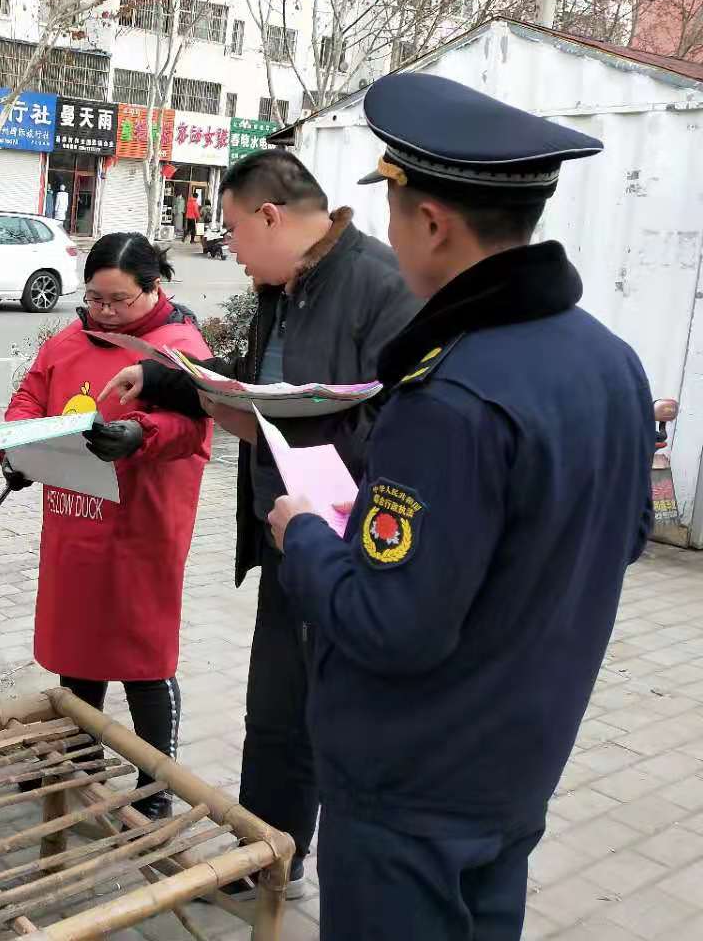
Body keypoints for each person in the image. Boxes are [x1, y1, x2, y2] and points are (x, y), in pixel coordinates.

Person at [266, 74, 654, 939]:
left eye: (395, 205)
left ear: (431, 223)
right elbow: (619, 538)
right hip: (517, 759)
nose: (390, 231)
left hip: (411, 782)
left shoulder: (451, 395)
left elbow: (392, 624)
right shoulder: (612, 361)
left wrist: (305, 542)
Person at [99, 150, 419, 898]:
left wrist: (289, 434)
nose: (230, 247)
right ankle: (265, 849)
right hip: (286, 533)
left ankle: (307, 859)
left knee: (321, 709)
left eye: (236, 230)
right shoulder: (285, 284)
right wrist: (163, 378)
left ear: (271, 216)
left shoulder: (380, 287)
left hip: (347, 540)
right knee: (273, 707)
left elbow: (400, 425)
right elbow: (249, 382)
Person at [4, 233, 213, 820]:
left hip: (141, 524)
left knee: (142, 654)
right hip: (75, 516)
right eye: (94, 298)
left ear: (154, 288)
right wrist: (18, 446)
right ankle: (79, 762)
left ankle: (155, 788)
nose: (104, 312)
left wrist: (141, 435)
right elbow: (30, 395)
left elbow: (196, 430)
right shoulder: (73, 337)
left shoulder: (179, 347)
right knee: (79, 644)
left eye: (118, 301)